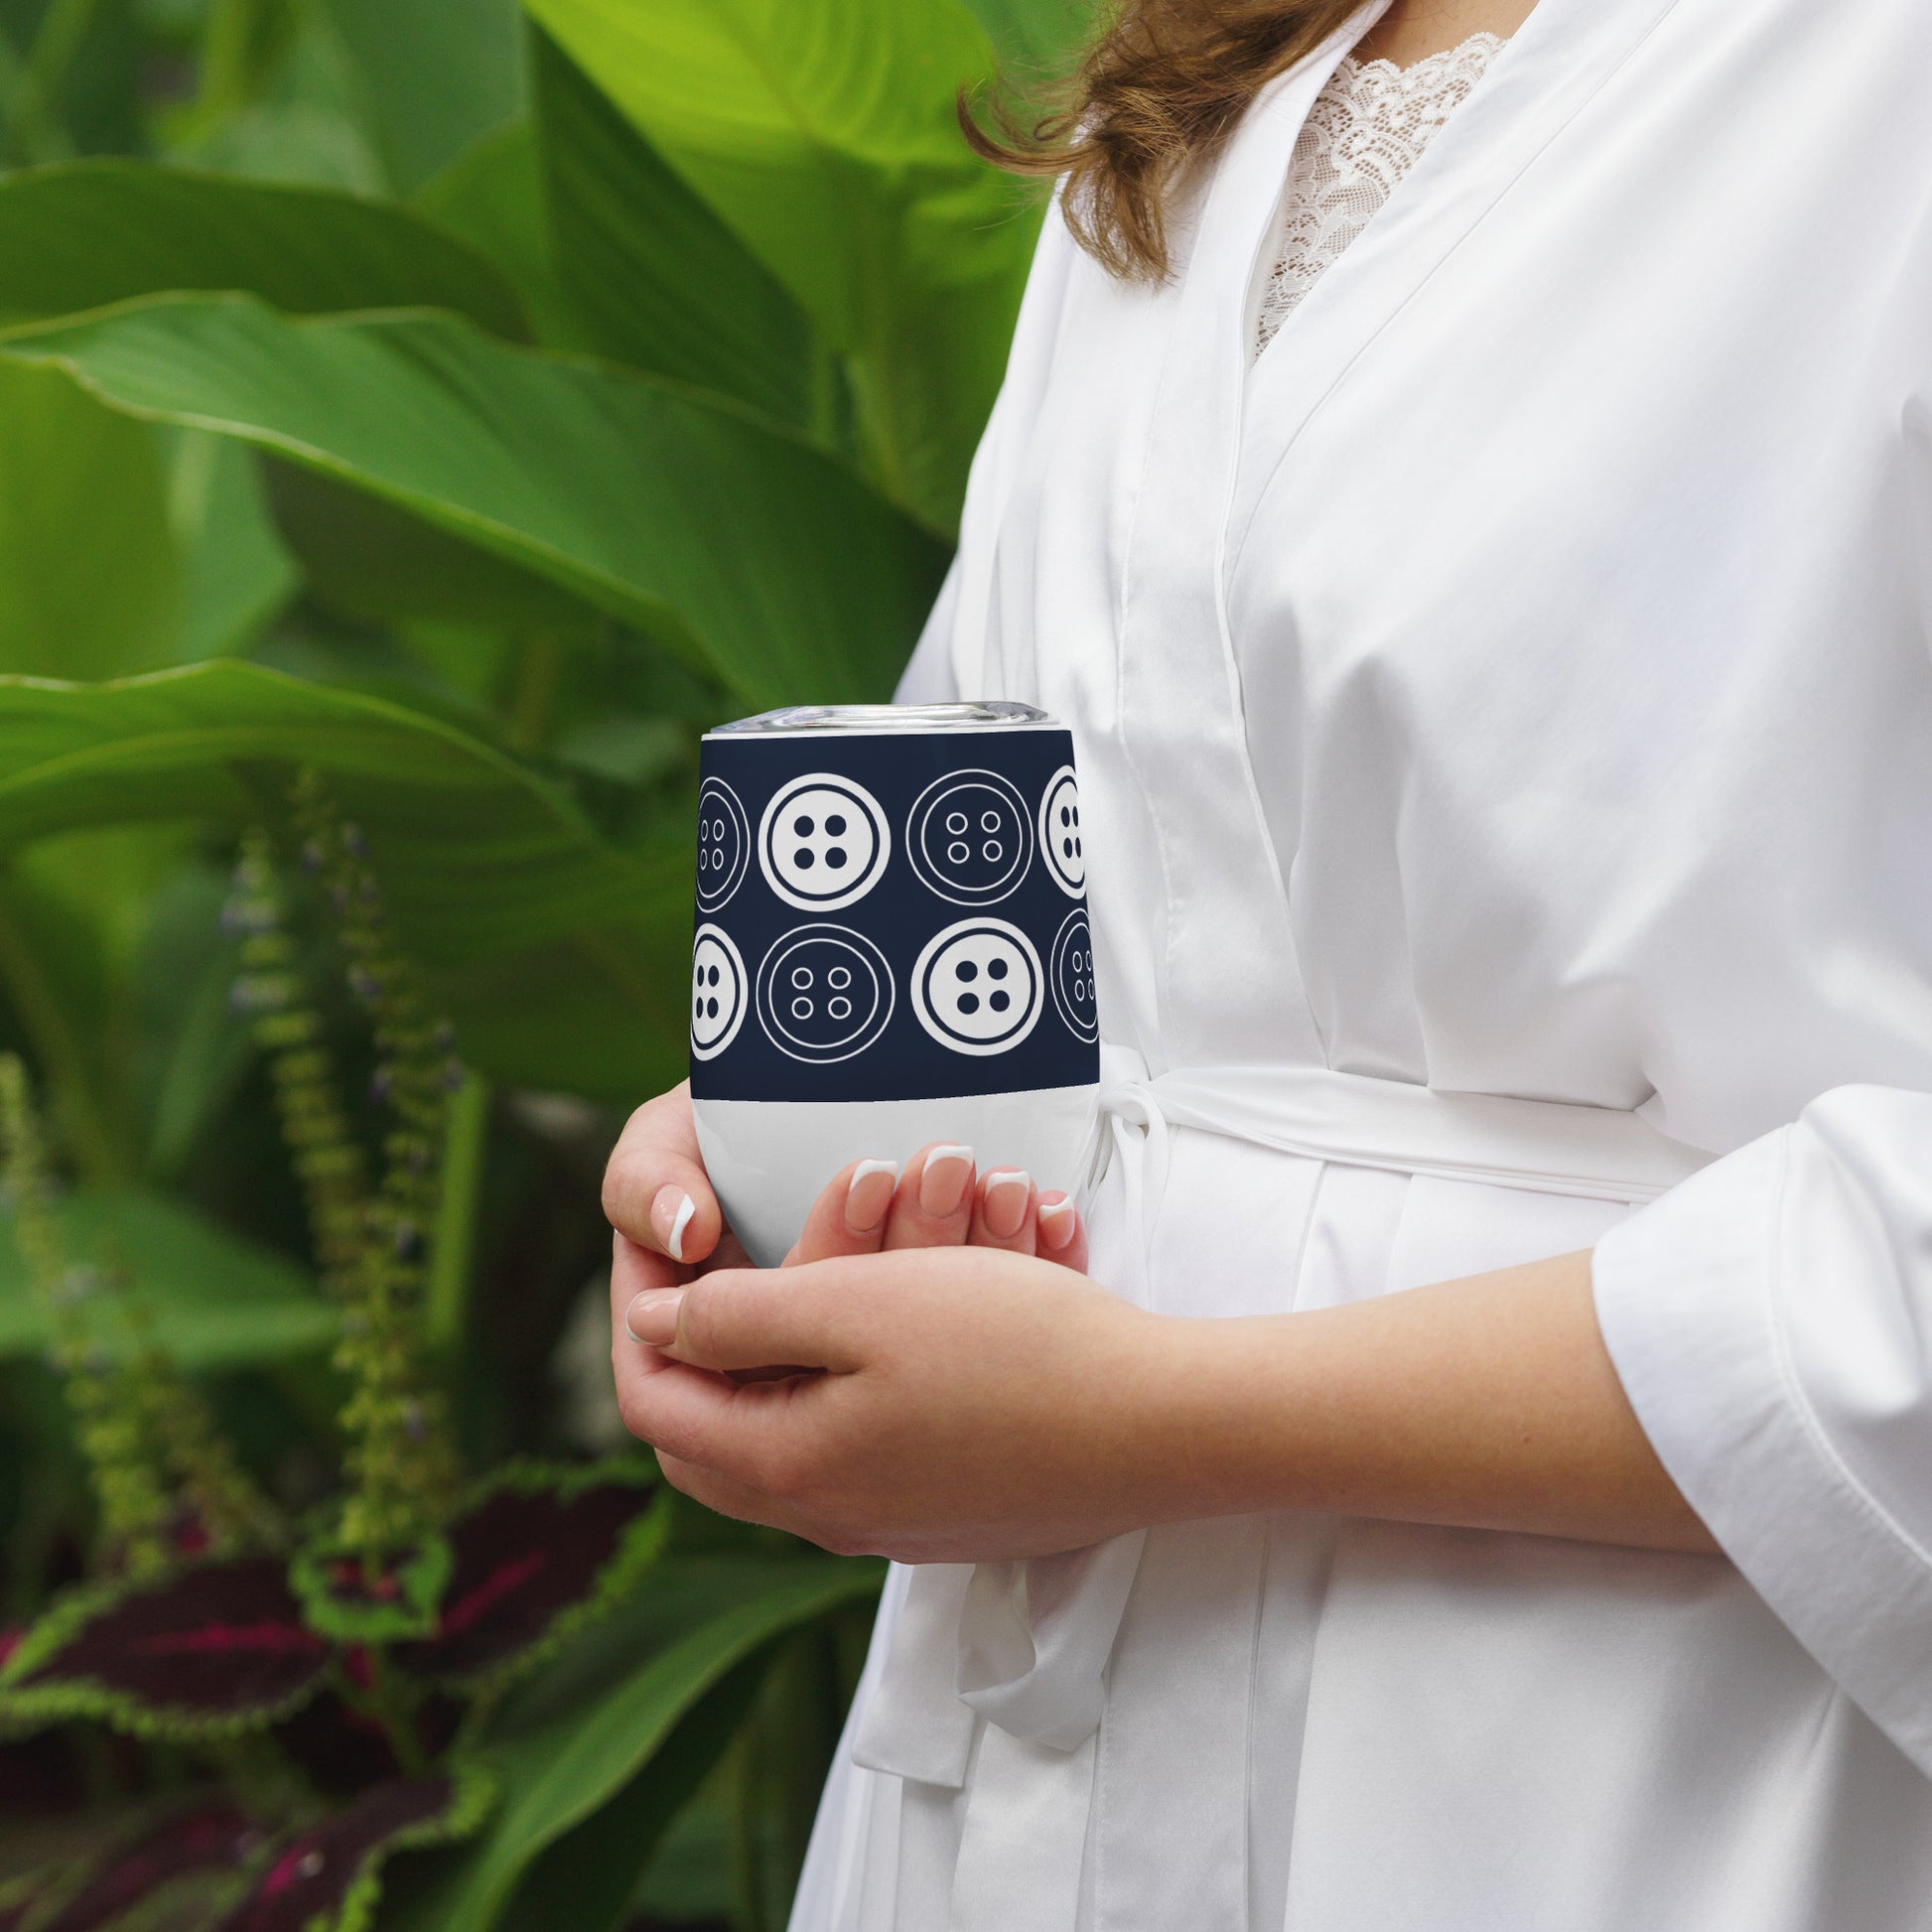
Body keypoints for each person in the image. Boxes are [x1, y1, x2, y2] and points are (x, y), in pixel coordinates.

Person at [602, 0, 1932, 1924]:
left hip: (1648, 1762)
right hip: (1038, 1760)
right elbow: (1057, 856)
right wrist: (777, 1165)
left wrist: (1154, 1416)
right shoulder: (1209, 72)